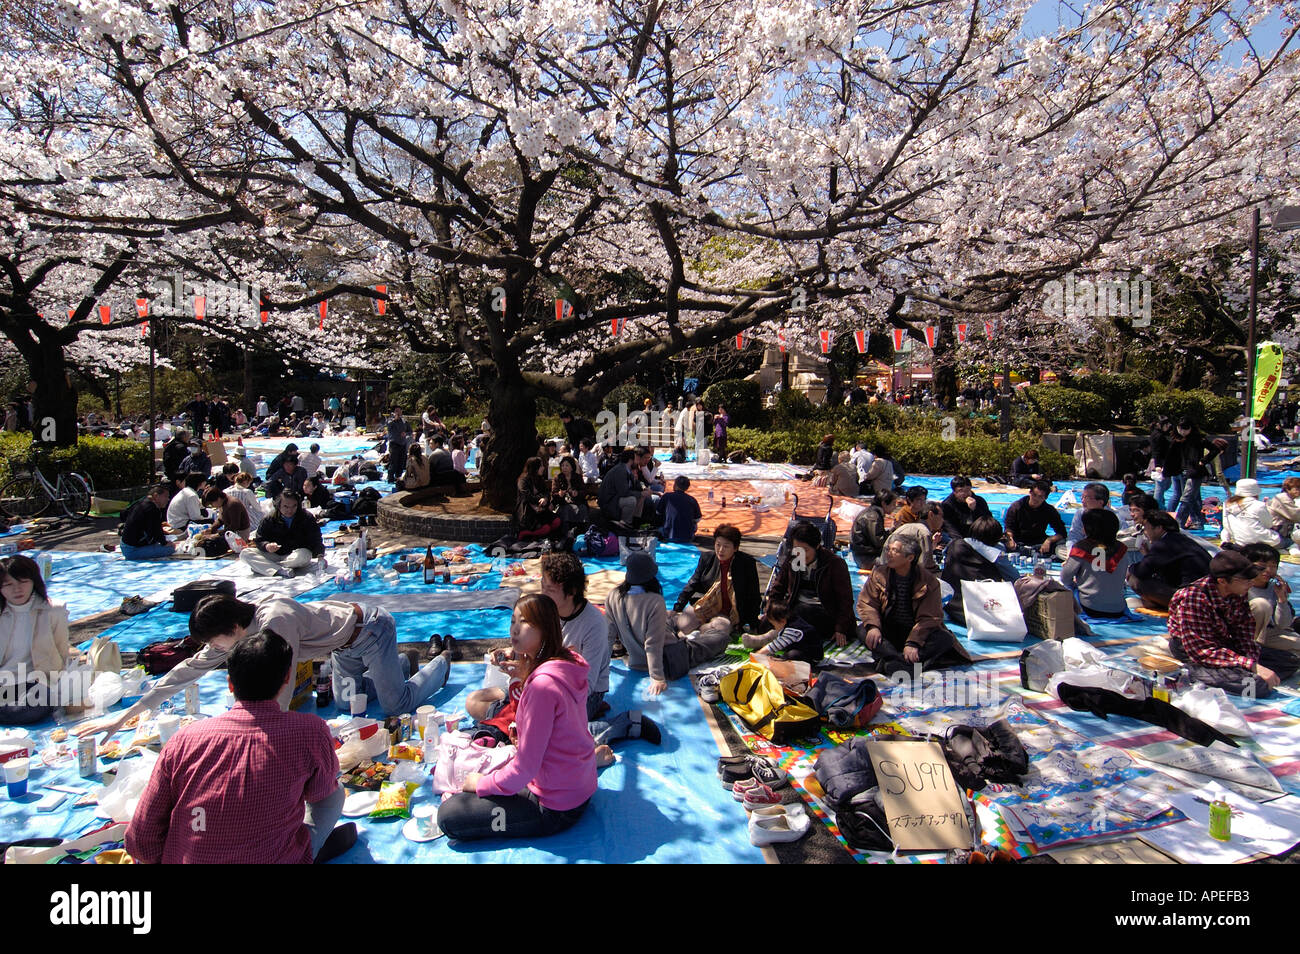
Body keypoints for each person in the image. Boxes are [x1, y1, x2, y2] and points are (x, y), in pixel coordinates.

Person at [76, 594, 452, 743]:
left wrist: (266, 731)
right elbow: (188, 669)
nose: (216, 652)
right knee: (342, 704)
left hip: (369, 630)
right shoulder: (240, 635)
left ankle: (440, 663)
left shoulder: (275, 621)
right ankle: (399, 664)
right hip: (341, 649)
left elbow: (281, 684)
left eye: (217, 643)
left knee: (394, 707)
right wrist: (126, 715)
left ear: (234, 630)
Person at [124, 632, 357, 864]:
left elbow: (141, 839)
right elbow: (323, 794)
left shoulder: (184, 740)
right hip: (278, 856)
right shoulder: (309, 731)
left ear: (229, 683)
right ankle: (305, 850)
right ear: (288, 678)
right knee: (333, 793)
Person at [438, 595, 597, 842]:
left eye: (524, 623)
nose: (514, 629)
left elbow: (525, 768)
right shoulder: (566, 663)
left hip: (556, 807)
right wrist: (524, 676)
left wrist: (481, 784)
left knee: (450, 815)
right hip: (578, 785)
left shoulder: (542, 686)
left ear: (545, 629)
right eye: (513, 621)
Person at [1167, 550, 1300, 697]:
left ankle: (1238, 673)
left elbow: (1244, 632)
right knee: (1257, 685)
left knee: (1290, 662)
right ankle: (1193, 672)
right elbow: (1202, 650)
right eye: (1246, 580)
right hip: (1196, 652)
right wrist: (1251, 666)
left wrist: (1251, 662)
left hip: (1224, 646)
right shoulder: (1193, 598)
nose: (1251, 584)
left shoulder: (1237, 592)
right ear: (1222, 581)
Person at [606, 552, 731, 694]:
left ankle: (683, 631)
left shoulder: (613, 596)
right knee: (721, 638)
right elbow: (652, 644)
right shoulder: (654, 601)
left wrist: (601, 666)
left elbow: (608, 635)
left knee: (671, 619)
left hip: (636, 657)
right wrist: (657, 677)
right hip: (669, 658)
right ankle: (704, 630)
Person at [857, 535, 964, 675]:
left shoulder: (929, 582)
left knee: (945, 638)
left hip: (915, 631)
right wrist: (874, 626)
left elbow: (930, 617)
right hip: (888, 629)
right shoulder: (879, 574)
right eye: (888, 549)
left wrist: (913, 642)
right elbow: (867, 603)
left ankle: (896, 664)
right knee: (862, 630)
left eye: (895, 551)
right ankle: (903, 662)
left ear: (910, 558)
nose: (889, 554)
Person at [0, 555, 72, 725]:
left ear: (34, 581)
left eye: (23, 582)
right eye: (8, 584)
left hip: (36, 682)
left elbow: (62, 651)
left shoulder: (54, 610)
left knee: (37, 703)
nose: (17, 589)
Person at [767, 521, 855, 648]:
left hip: (825, 613)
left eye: (805, 550)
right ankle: (779, 635)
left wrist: (841, 628)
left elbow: (845, 600)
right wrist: (772, 610)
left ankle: (778, 637)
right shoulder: (793, 559)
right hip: (795, 608)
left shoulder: (834, 564)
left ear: (817, 546)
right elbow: (778, 587)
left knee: (802, 612)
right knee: (769, 620)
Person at [673, 524, 762, 632]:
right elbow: (693, 583)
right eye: (718, 545)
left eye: (726, 546)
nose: (720, 550)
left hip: (728, 613)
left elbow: (754, 594)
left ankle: (701, 630)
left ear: (735, 548)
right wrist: (678, 607)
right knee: (684, 624)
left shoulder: (746, 564)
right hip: (705, 605)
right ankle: (700, 630)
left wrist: (753, 623)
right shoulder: (707, 558)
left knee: (720, 629)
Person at [940, 516, 1019, 627]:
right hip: (978, 612)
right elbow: (1015, 578)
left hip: (949, 606)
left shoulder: (953, 545)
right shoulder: (995, 555)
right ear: (996, 537)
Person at [1127, 511, 1211, 609]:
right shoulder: (1180, 539)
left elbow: (1141, 571)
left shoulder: (1164, 544)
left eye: (1146, 529)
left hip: (1189, 598)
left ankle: (1163, 603)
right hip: (1206, 593)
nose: (1145, 533)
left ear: (1159, 528)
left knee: (1134, 579)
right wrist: (1148, 555)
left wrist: (1130, 568)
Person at [1059, 509, 1134, 617]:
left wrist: (1076, 584)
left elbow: (1065, 577)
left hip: (1090, 607)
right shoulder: (1122, 548)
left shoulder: (1081, 547)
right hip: (1118, 608)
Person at [240, 490, 324, 577]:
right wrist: (267, 546)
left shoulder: (306, 517)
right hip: (274, 554)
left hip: (294, 555)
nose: (290, 510)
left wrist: (320, 556)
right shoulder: (269, 518)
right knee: (245, 554)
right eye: (286, 507)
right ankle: (279, 570)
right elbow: (260, 539)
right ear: (279, 506)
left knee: (305, 555)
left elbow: (316, 538)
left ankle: (266, 567)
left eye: (293, 506)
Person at [1240, 543, 1300, 651]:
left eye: (1273, 566)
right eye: (1262, 566)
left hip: (1269, 633)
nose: (1268, 570)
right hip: (1244, 634)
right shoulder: (1239, 586)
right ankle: (1252, 650)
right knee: (1261, 604)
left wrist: (1282, 599)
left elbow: (1283, 625)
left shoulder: (1274, 588)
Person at [1002, 480, 1067, 556]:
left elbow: (1062, 532)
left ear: (1045, 498)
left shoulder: (1049, 510)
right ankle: (1031, 551)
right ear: (1030, 493)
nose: (1036, 499)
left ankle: (1031, 551)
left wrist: (1049, 540)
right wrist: (1010, 540)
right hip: (1018, 540)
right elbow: (1009, 528)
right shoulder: (1017, 506)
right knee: (1000, 542)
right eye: (1034, 495)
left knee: (1062, 542)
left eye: (1040, 497)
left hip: (1039, 541)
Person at [120, 484, 179, 560]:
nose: (168, 499)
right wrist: (165, 543)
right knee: (170, 548)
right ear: (156, 496)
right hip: (132, 550)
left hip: (124, 544)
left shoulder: (141, 502)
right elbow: (156, 531)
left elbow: (123, 515)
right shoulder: (152, 509)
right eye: (166, 496)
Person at [883, 501, 945, 573]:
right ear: (931, 515)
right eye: (941, 516)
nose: (943, 520)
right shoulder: (924, 533)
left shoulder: (906, 527)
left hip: (885, 570)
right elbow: (925, 564)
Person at [1221, 479, 1283, 547]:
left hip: (1240, 540)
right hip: (1260, 539)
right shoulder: (1259, 505)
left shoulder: (1227, 504)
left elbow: (1226, 524)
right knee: (1286, 541)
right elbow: (1268, 524)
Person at [598, 449, 651, 526]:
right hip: (609, 502)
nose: (638, 461)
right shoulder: (620, 470)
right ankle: (626, 523)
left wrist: (644, 488)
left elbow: (637, 483)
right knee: (631, 500)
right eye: (636, 459)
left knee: (641, 497)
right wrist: (641, 493)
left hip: (616, 498)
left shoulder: (626, 469)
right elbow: (624, 492)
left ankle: (635, 522)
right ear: (630, 460)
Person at [194, 488, 251, 557]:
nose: (212, 506)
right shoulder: (223, 503)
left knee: (213, 544)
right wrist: (211, 529)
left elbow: (235, 526)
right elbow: (220, 520)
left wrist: (217, 535)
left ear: (218, 499)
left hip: (239, 533)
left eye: (212, 504)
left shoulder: (232, 504)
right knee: (206, 539)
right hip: (229, 531)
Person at [515, 456, 561, 538]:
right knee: (545, 528)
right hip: (528, 509)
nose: (543, 468)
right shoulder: (523, 480)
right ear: (535, 468)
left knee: (556, 521)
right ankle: (526, 534)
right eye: (541, 466)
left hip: (542, 507)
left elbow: (546, 492)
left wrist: (545, 499)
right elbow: (526, 496)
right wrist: (539, 499)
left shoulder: (540, 479)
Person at [850, 490, 898, 567]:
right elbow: (879, 542)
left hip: (867, 554)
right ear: (884, 503)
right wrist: (893, 529)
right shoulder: (872, 517)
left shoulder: (874, 513)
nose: (895, 507)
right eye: (893, 504)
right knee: (899, 562)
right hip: (865, 557)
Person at [941, 476, 992, 540]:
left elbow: (988, 521)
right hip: (956, 535)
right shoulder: (947, 504)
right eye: (961, 490)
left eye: (968, 490)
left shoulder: (979, 501)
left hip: (976, 535)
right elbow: (948, 526)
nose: (965, 494)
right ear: (954, 492)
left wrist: (974, 509)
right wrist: (960, 540)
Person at [656, 475, 701, 543]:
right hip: (687, 536)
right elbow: (697, 519)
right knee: (694, 525)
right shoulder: (692, 500)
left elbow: (658, 512)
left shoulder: (667, 496)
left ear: (675, 485)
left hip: (668, 535)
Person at [551, 455, 590, 531]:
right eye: (562, 465)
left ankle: (582, 531)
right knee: (566, 509)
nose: (564, 468)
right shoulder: (557, 478)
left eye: (567, 465)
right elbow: (553, 493)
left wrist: (577, 493)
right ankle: (566, 533)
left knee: (582, 508)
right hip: (563, 503)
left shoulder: (578, 477)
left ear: (572, 467)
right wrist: (559, 494)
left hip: (577, 502)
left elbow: (584, 491)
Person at [1267, 478, 1300, 549]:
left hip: (1279, 531)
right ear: (1288, 489)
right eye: (1297, 489)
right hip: (1276, 532)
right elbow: (1296, 515)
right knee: (1295, 545)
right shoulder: (1283, 498)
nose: (1299, 491)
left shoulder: (1286, 498)